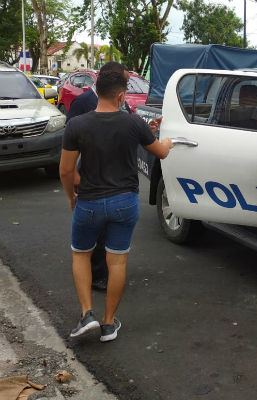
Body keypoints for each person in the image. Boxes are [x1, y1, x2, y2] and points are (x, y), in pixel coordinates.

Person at [59, 71, 172, 342]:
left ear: (96, 91)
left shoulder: (78, 125)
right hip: (124, 202)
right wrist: (165, 140)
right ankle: (109, 324)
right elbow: (161, 152)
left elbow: (65, 171)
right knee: (117, 261)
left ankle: (87, 315)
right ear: (121, 95)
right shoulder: (133, 122)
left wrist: (71, 198)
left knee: (81, 255)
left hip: (89, 202)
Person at [66, 62, 133, 291]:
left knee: (109, 232)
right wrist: (74, 176)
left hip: (117, 176)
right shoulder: (82, 103)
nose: (124, 87)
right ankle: (97, 274)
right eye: (123, 80)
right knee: (93, 233)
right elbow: (69, 143)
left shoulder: (121, 104)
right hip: (92, 177)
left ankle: (108, 271)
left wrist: (148, 132)